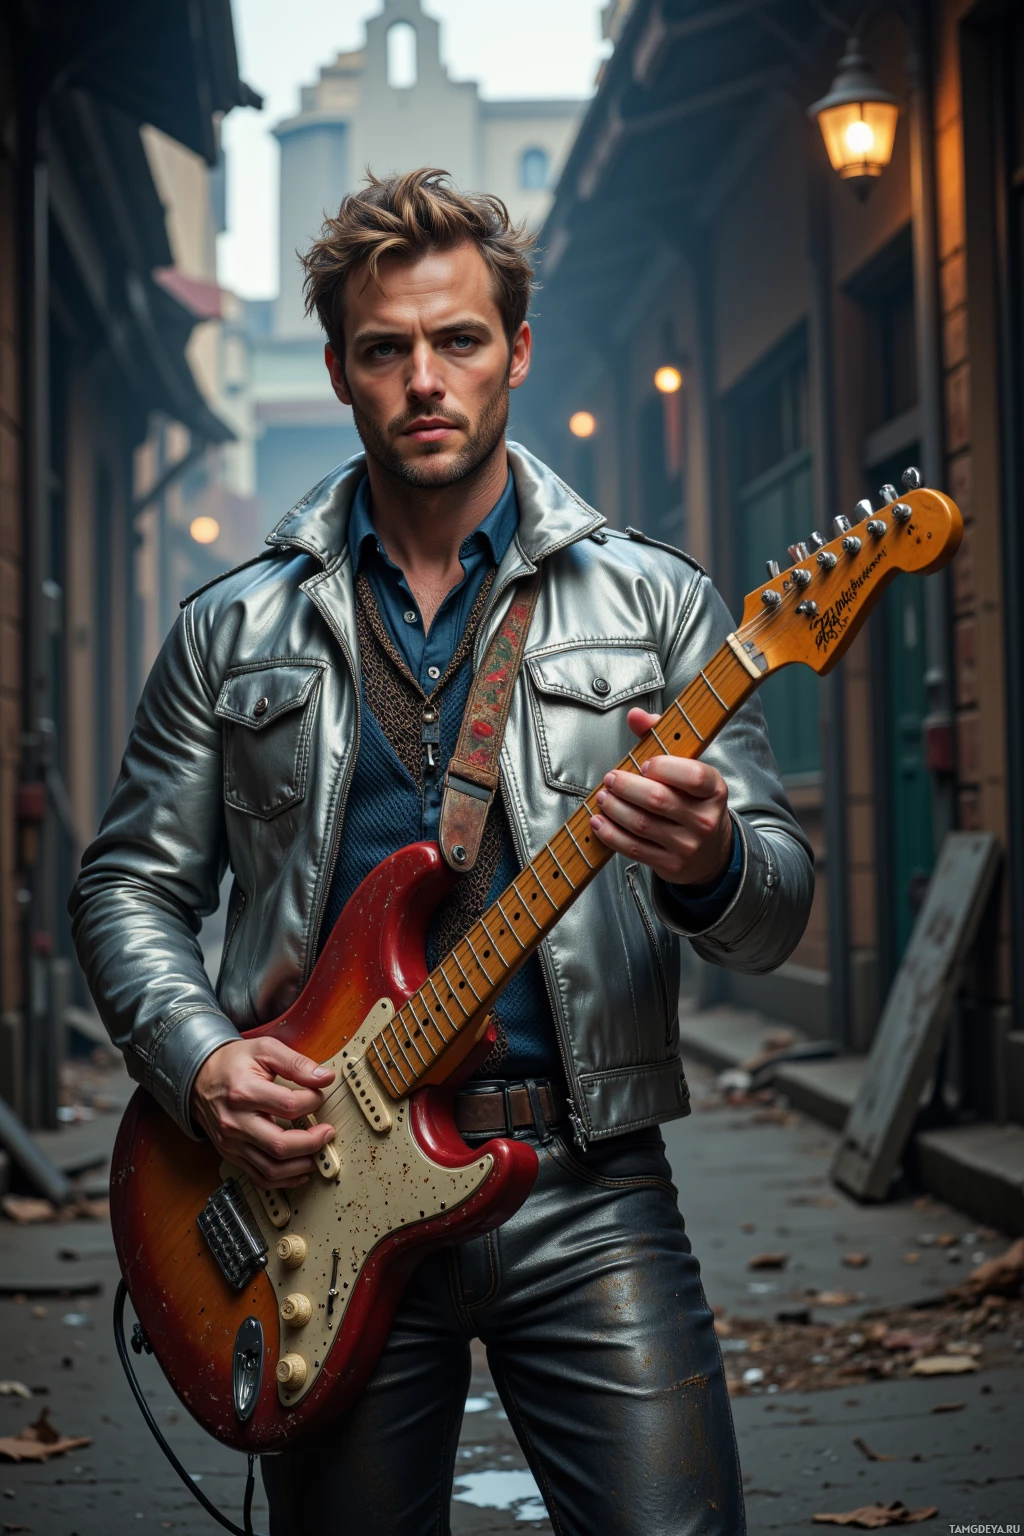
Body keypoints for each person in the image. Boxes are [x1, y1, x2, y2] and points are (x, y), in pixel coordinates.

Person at [71, 168, 813, 1536]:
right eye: (385, 348)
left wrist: (711, 860)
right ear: (343, 372)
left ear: (516, 352)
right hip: (311, 1198)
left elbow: (777, 907)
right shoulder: (230, 630)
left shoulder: (659, 600)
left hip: (588, 1187)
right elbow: (128, 888)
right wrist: (202, 1061)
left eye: (459, 340)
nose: (426, 377)